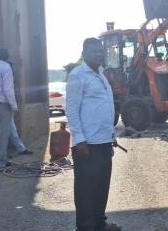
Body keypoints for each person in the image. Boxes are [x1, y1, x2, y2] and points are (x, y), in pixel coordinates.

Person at [66, 38, 120, 231]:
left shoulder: (102, 74)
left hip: (104, 141)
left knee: (101, 186)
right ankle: (86, 226)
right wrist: (79, 140)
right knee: (85, 189)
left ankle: (99, 222)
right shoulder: (77, 75)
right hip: (87, 144)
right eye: (93, 52)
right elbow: (71, 110)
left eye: (100, 51)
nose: (98, 54)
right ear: (84, 53)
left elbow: (105, 108)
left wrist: (111, 137)